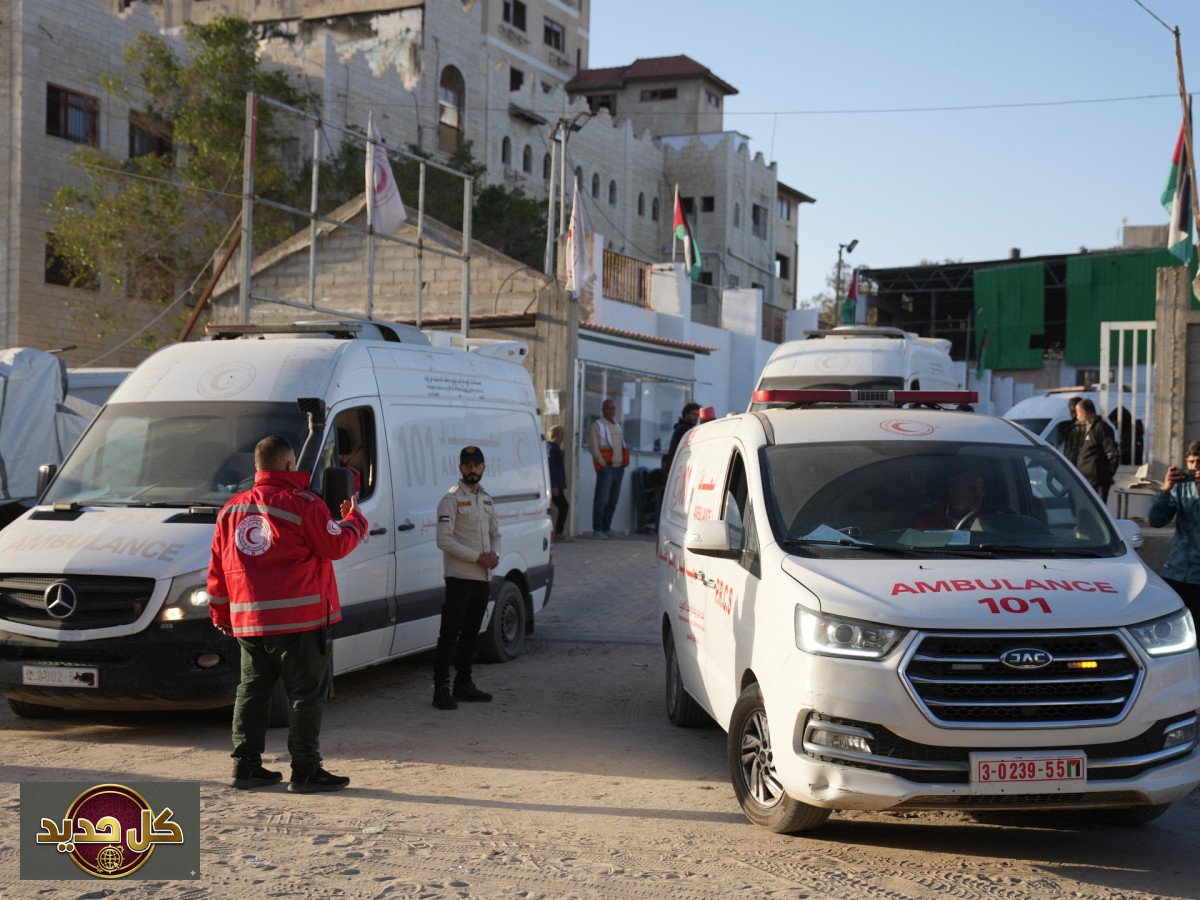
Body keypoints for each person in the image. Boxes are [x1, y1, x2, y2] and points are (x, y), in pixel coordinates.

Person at [208, 435, 367, 794]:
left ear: (258, 467)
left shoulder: (230, 510)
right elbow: (336, 544)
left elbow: (217, 571)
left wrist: (221, 615)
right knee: (305, 695)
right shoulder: (303, 503)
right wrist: (355, 520)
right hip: (300, 621)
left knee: (251, 693)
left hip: (249, 622)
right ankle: (306, 770)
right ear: (289, 464)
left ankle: (246, 768)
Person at [433, 446, 501, 710]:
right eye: (467, 464)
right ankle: (441, 689)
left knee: (471, 635)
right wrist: (478, 557)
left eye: (476, 464)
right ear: (460, 467)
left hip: (482, 579)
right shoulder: (450, 500)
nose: (472, 468)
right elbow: (444, 540)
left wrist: (494, 554)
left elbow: (496, 533)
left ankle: (464, 684)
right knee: (449, 635)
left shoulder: (486, 499)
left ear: (484, 467)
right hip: (460, 578)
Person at [1147, 440, 1200, 621]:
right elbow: (1156, 521)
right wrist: (1165, 490)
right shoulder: (1181, 487)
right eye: (1192, 462)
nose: (1195, 468)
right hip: (1179, 572)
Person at [588, 398, 628, 538]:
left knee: (613, 500)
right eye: (608, 408)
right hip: (607, 468)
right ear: (603, 410)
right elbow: (593, 447)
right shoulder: (597, 425)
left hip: (618, 468)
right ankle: (597, 530)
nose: (611, 411)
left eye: (613, 408)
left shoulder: (617, 425)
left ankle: (606, 528)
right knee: (602, 499)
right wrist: (602, 462)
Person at [1072, 398, 1119, 502]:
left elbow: (1112, 453)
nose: (1077, 416)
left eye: (1078, 412)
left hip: (1097, 483)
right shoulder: (1088, 429)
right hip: (1087, 481)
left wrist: (1106, 475)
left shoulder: (1101, 428)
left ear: (1085, 412)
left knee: (1097, 512)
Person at [914, 467, 985, 530]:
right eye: (973, 490)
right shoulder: (929, 522)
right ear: (953, 492)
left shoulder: (991, 519)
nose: (980, 495)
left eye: (981, 489)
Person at [661, 402, 701, 475]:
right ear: (686, 414)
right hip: (676, 469)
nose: (696, 417)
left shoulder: (684, 428)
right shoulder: (683, 429)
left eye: (697, 415)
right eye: (693, 414)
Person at [546, 425, 569, 541]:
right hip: (553, 486)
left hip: (554, 485)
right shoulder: (553, 450)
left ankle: (556, 532)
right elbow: (552, 469)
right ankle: (558, 533)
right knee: (564, 506)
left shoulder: (551, 448)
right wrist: (554, 485)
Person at [1059, 396, 1085, 460]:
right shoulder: (1073, 426)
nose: (1070, 412)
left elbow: (1075, 451)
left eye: (1071, 409)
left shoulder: (1080, 427)